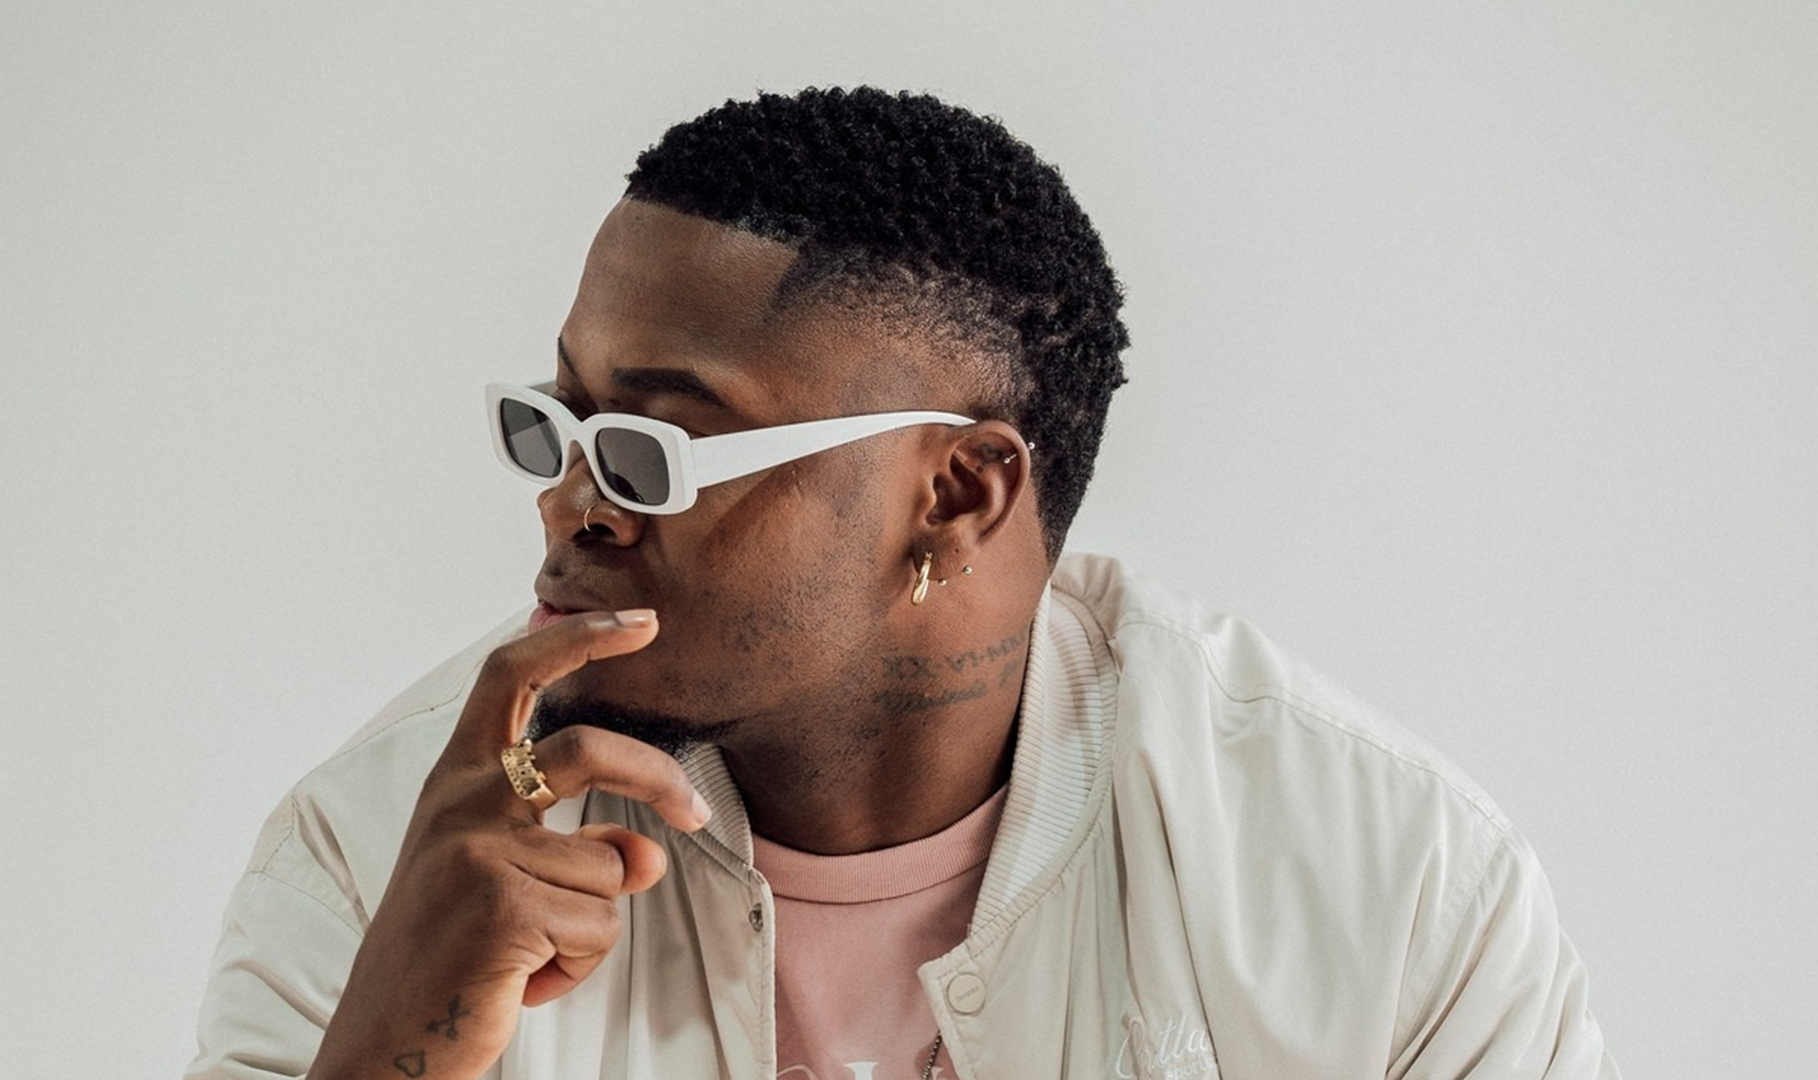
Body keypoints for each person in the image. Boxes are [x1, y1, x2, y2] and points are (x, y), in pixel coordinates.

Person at [186, 87, 1617, 1080]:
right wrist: (391, 1048)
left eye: (654, 449)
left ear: (959, 495)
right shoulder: (381, 853)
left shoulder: (1388, 890)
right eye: (559, 423)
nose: (572, 500)